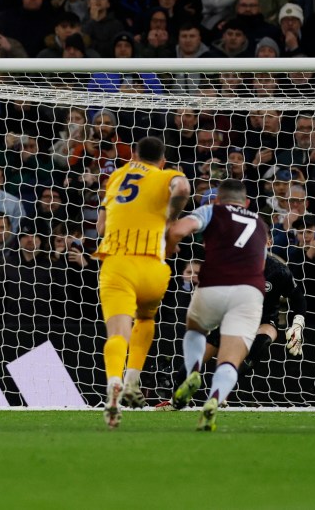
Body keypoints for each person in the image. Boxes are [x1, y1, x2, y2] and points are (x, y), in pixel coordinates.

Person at [95, 136, 189, 430]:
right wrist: (170, 218)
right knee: (146, 318)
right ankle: (133, 377)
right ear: (162, 160)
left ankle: (114, 385)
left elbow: (100, 226)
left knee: (117, 334)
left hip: (118, 264)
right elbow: (183, 188)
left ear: (134, 155)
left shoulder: (116, 176)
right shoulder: (167, 175)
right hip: (153, 267)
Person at [166, 179, 269, 431]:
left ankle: (193, 370)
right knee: (230, 360)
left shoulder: (212, 210)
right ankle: (214, 400)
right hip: (250, 291)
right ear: (246, 202)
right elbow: (262, 265)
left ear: (218, 199)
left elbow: (178, 230)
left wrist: (169, 245)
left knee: (195, 328)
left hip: (214, 283)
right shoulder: (260, 224)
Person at [158, 248, 307, 410]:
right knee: (195, 362)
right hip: (233, 319)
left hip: (264, 320)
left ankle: (222, 389)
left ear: (269, 242)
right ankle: (175, 400)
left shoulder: (278, 270)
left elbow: (297, 297)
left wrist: (297, 324)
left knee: (261, 344)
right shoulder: (232, 265)